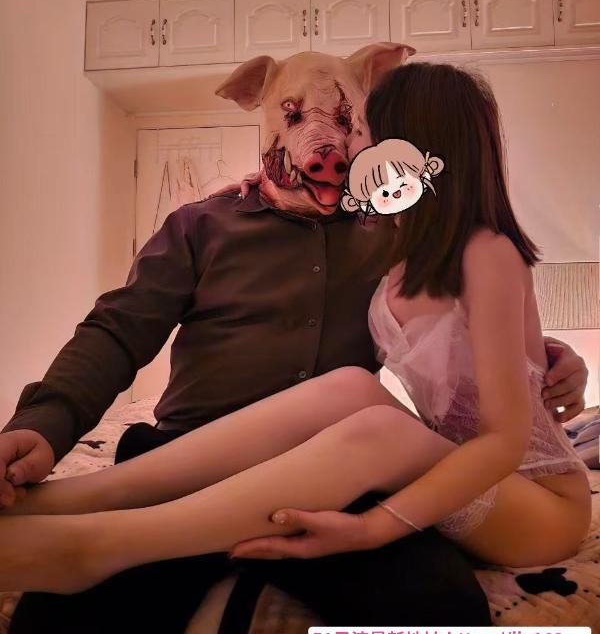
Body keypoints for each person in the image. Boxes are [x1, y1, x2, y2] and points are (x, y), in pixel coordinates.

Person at [0, 63, 591, 627]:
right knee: (352, 391)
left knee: (435, 597)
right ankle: (58, 507)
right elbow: (117, 328)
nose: (336, 145)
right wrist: (47, 423)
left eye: (351, 126)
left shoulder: (390, 236)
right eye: (297, 115)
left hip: (366, 467)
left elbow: (474, 341)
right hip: (201, 448)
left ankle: (97, 544)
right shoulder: (207, 223)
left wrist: (548, 356)